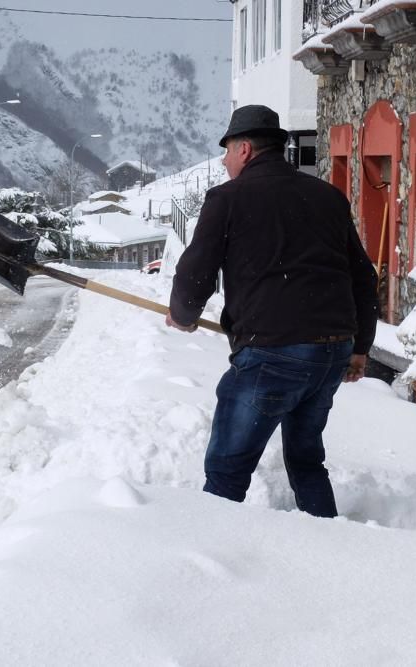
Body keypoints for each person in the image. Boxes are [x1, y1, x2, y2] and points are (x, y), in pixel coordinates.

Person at [166, 105, 378, 518]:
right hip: (331, 351)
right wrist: (359, 347)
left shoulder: (228, 198)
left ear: (244, 149)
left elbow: (196, 273)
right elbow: (363, 277)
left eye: (226, 151)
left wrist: (184, 315)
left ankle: (209, 558)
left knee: (227, 470)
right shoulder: (327, 197)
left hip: (273, 354)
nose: (225, 161)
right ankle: (333, 552)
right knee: (306, 461)